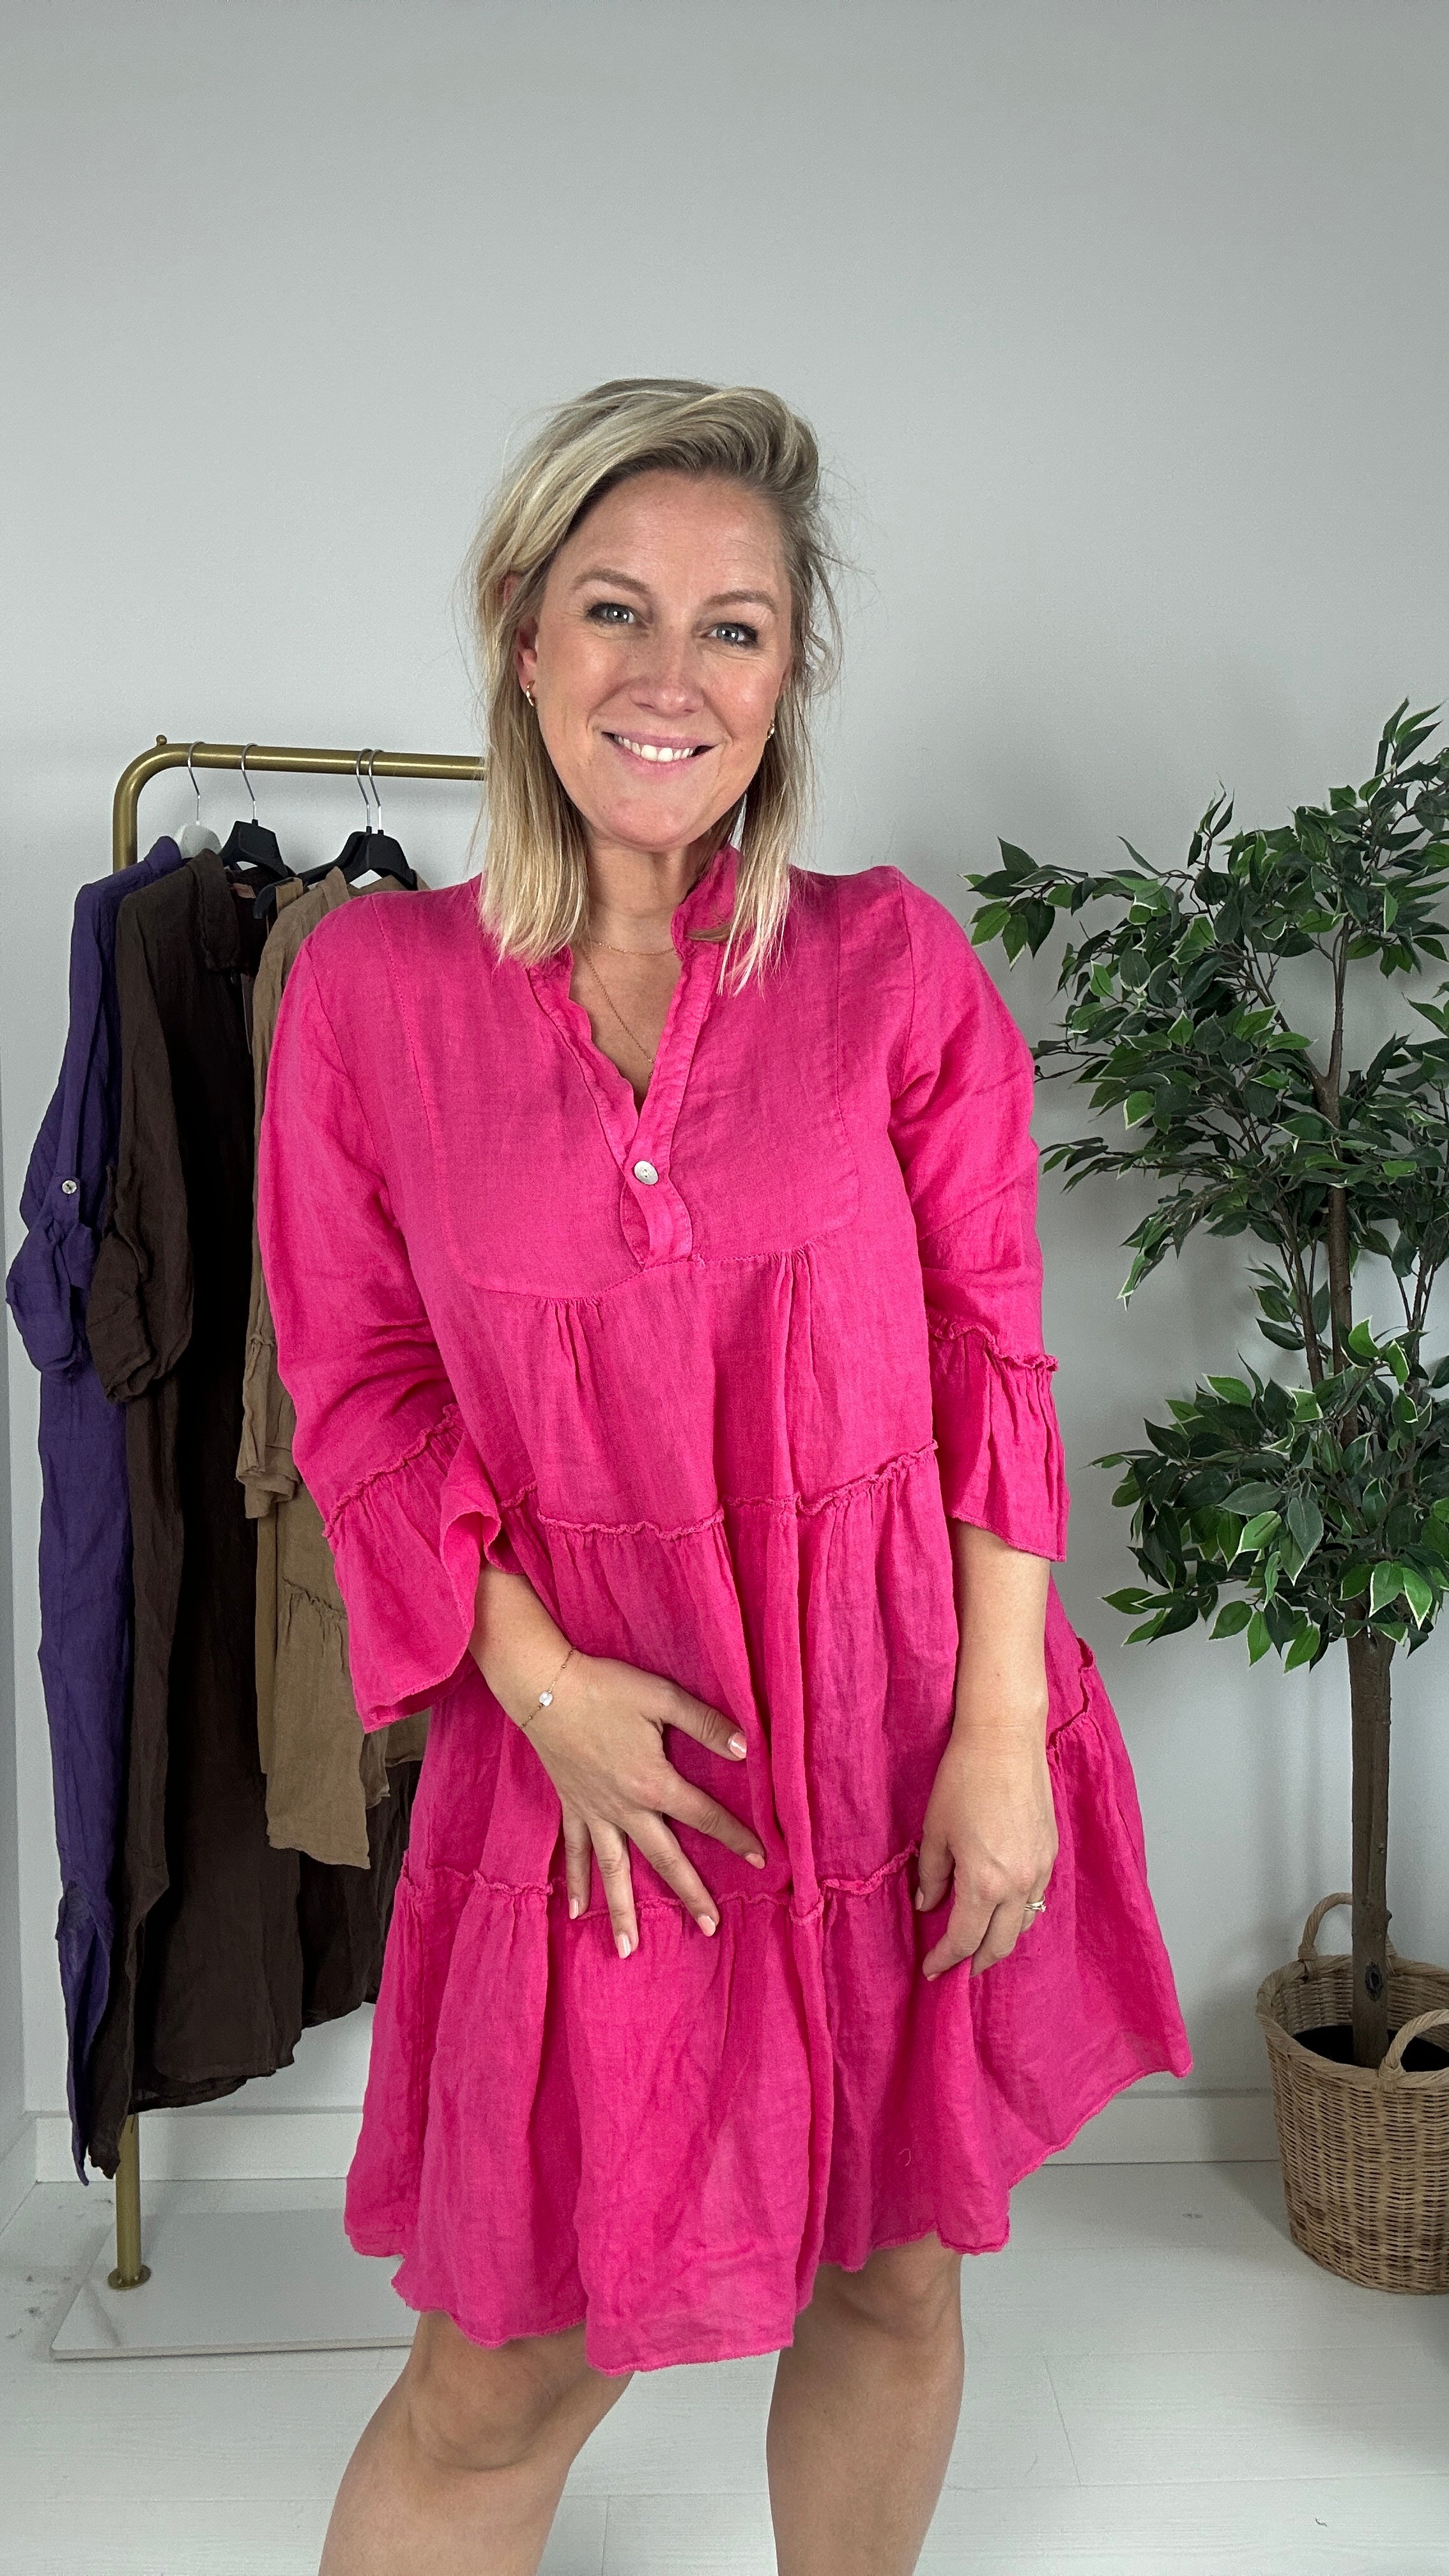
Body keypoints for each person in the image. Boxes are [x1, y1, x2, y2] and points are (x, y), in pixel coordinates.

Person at [258, 378, 1190, 2576]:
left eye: (734, 627)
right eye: (615, 609)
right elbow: (357, 1392)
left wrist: (995, 1738)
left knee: (889, 2272)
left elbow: (992, 1361)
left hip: (890, 1726)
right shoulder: (370, 993)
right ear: (521, 634)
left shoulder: (889, 966)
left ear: (785, 680)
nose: (669, 674)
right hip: (593, 1757)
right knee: (501, 2370)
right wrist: (545, 1692)